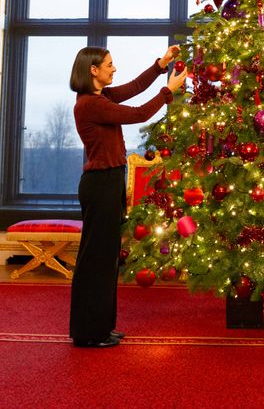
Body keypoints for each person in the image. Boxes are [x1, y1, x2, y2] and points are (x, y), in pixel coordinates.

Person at [68, 45, 187, 347]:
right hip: (100, 184)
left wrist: (161, 64)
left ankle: (101, 327)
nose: (114, 68)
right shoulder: (90, 105)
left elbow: (134, 88)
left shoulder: (101, 97)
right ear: (92, 70)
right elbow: (139, 114)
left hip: (108, 181)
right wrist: (167, 90)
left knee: (107, 259)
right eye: (109, 64)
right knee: (96, 260)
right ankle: (89, 333)